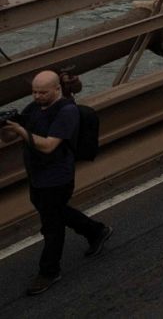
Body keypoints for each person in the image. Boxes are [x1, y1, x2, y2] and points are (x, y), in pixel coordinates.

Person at [3, 70, 112, 295]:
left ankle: (49, 271)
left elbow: (49, 146)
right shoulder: (33, 108)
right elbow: (10, 137)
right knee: (57, 212)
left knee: (52, 226)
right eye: (34, 92)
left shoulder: (67, 112)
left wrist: (21, 131)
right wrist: (7, 128)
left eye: (43, 92)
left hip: (57, 177)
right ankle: (96, 231)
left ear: (57, 89)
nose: (37, 96)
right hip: (36, 176)